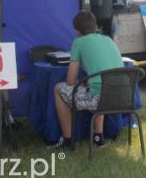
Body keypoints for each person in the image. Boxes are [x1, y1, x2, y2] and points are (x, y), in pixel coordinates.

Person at [53, 10, 123, 148]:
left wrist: (80, 83)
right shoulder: (108, 39)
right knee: (99, 87)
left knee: (58, 89)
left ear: (77, 31)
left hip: (98, 100)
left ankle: (67, 139)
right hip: (122, 98)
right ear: (96, 27)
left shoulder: (78, 43)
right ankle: (98, 137)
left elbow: (70, 81)